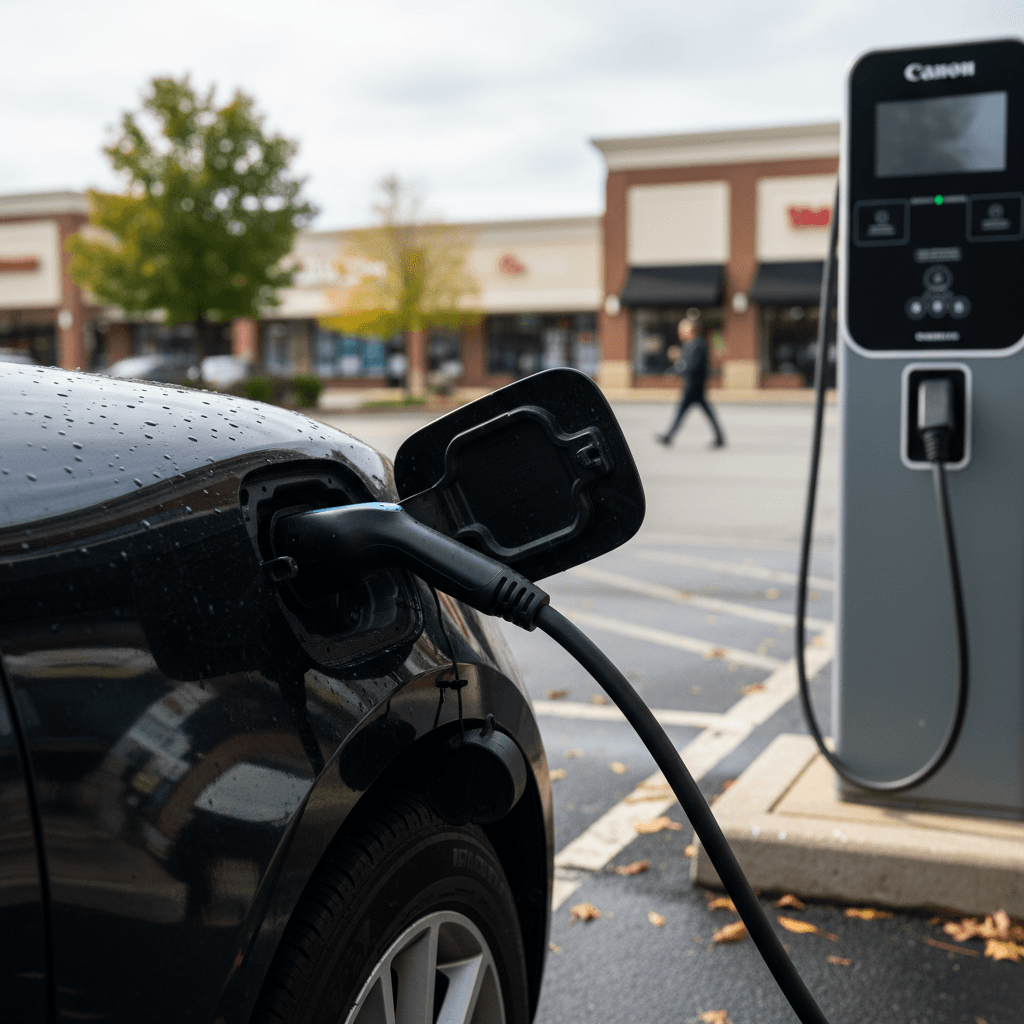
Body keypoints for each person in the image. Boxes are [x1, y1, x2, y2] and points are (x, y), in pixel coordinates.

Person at [657, 316, 726, 448]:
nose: (680, 333)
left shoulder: (697, 345)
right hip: (693, 385)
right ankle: (719, 437)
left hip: (694, 385)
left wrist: (678, 369)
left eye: (682, 330)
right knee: (704, 412)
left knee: (683, 411)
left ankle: (669, 436)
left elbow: (692, 366)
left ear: (690, 330)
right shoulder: (690, 345)